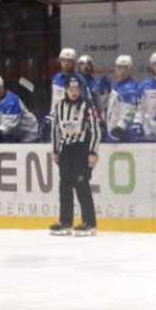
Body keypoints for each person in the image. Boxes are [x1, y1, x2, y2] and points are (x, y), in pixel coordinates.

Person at [50, 76, 99, 236]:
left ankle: (89, 223)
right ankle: (66, 221)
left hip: (81, 149)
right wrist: (56, 151)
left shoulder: (87, 106)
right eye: (71, 90)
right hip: (66, 150)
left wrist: (93, 152)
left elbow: (96, 130)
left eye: (76, 90)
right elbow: (55, 130)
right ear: (65, 90)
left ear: (80, 90)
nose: (73, 92)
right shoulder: (59, 106)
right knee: (64, 185)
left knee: (81, 184)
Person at [0, 75, 40, 145]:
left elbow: (8, 126)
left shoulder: (11, 100)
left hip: (30, 136)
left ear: (2, 88)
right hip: (15, 136)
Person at [105, 55, 144, 141]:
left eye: (125, 68)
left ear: (131, 69)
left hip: (123, 134)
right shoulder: (116, 85)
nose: (122, 71)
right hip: (112, 131)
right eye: (119, 67)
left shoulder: (131, 87)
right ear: (115, 69)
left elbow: (130, 111)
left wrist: (120, 127)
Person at [52, 47, 89, 114]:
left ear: (74, 62)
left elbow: (83, 101)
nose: (66, 63)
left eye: (69, 61)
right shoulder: (56, 77)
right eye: (64, 60)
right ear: (60, 61)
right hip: (56, 116)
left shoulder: (79, 79)